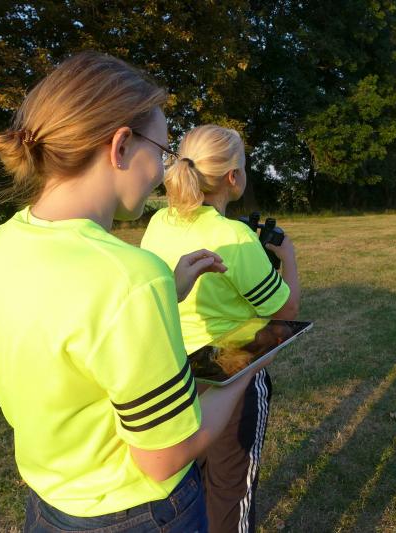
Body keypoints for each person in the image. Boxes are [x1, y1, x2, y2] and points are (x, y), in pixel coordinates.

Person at [0, 52, 259, 532]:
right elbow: (166, 454)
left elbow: (66, 333)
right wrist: (245, 370)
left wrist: (167, 293)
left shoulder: (1, 246)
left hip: (48, 506)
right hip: (140, 514)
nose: (162, 171)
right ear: (120, 146)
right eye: (161, 150)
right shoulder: (131, 277)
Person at [140, 125, 300, 533]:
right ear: (234, 177)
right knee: (230, 492)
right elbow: (285, 312)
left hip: (175, 377)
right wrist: (288, 258)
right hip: (233, 376)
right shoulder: (235, 236)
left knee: (187, 488)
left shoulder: (159, 221)